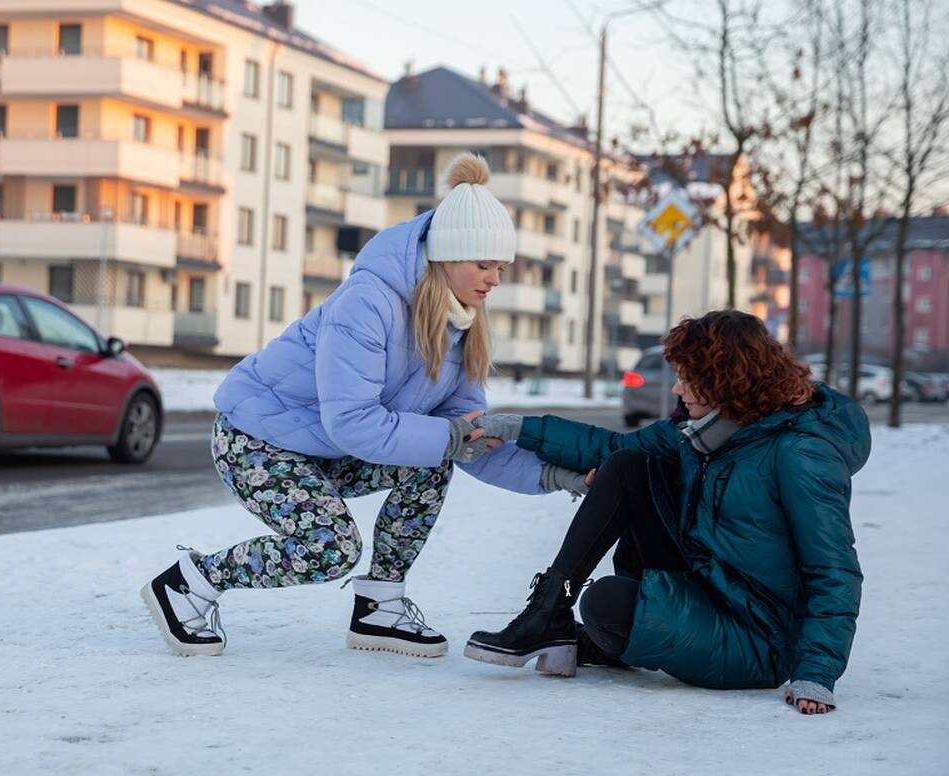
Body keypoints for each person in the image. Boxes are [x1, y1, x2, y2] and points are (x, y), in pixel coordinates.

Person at [142, 153, 588, 659]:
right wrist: (451, 437)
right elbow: (353, 421)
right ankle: (190, 582)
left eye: (501, 267)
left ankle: (380, 606)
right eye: (483, 265)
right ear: (447, 255)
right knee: (330, 548)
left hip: (326, 447)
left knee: (434, 460)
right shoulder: (368, 303)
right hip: (256, 441)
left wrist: (558, 475)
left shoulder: (461, 326)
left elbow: (469, 439)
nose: (494, 279)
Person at [465, 310, 868, 715]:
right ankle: (548, 611)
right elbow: (610, 449)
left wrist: (816, 673)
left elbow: (833, 568)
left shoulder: (799, 453)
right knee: (628, 465)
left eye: (688, 378)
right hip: (703, 586)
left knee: (607, 604)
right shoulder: (705, 430)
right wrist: (516, 428)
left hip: (754, 639)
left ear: (725, 379)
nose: (677, 388)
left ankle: (607, 637)